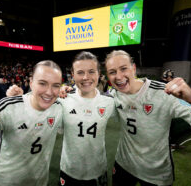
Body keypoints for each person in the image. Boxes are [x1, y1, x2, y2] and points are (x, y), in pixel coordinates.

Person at [104, 50, 191, 186]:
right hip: (123, 165)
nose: (118, 76)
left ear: (133, 68)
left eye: (123, 69)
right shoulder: (113, 94)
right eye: (112, 72)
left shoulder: (164, 93)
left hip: (156, 173)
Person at [7, 52, 116, 186]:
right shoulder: (62, 99)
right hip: (69, 171)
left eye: (91, 71)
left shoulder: (109, 102)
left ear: (99, 73)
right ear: (73, 74)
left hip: (98, 171)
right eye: (80, 72)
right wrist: (18, 96)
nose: (86, 77)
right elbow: (37, 99)